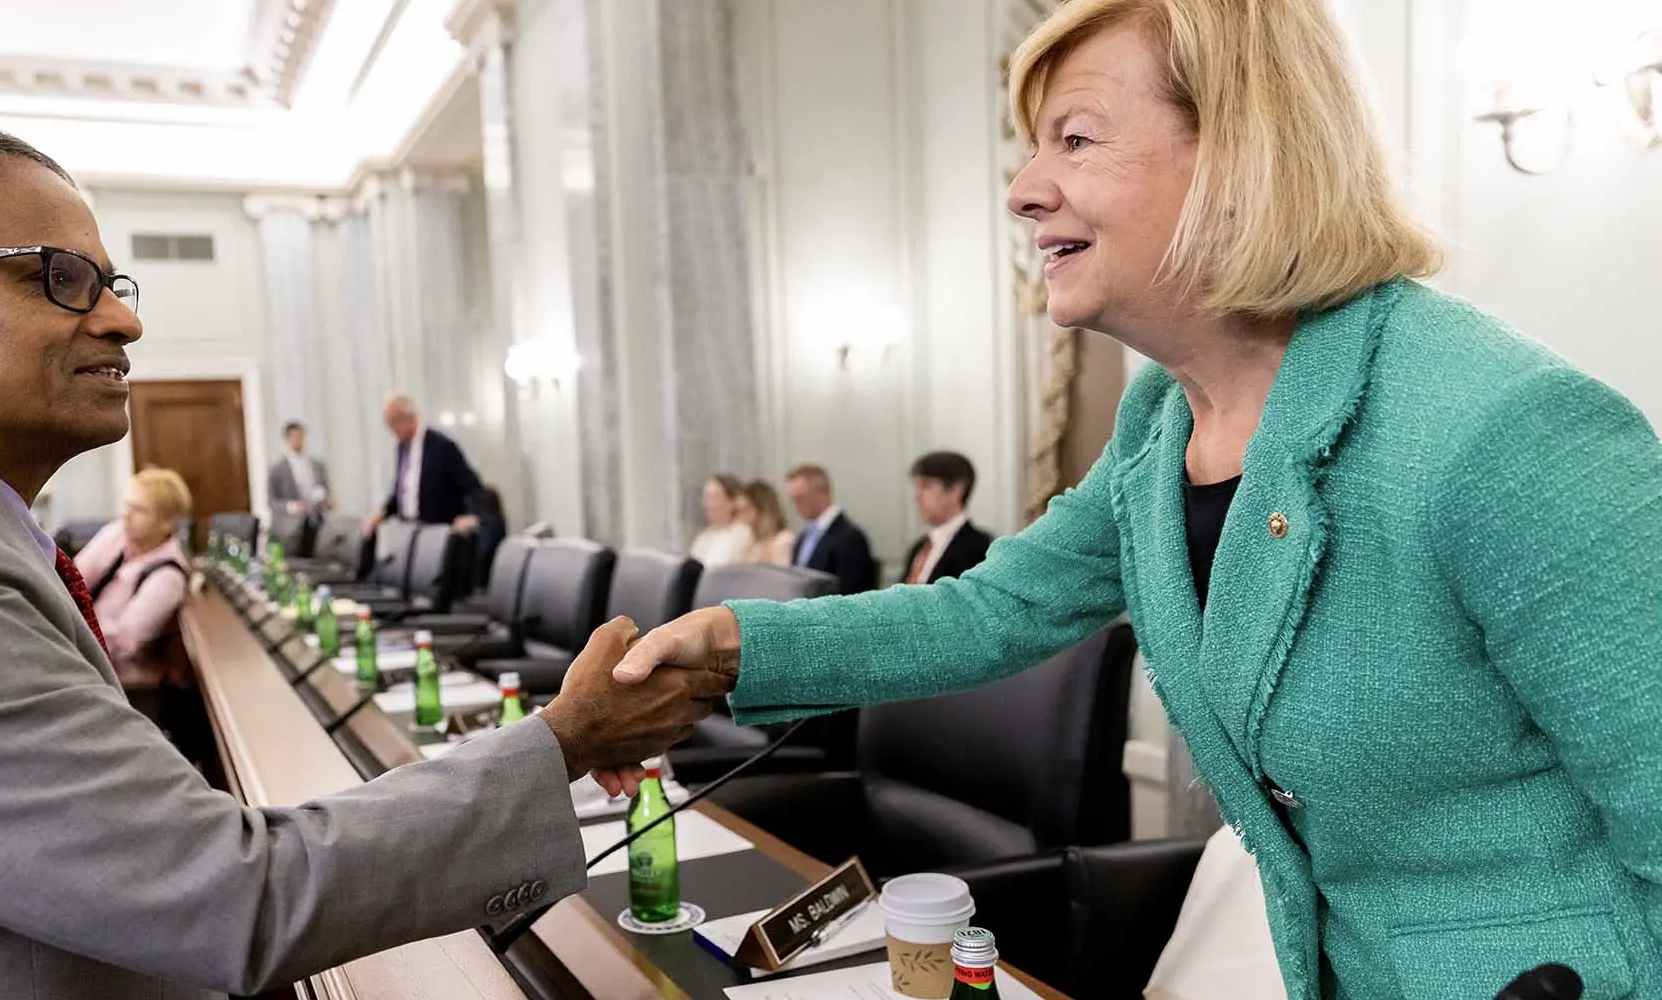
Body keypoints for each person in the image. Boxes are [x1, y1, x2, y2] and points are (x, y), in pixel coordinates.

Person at [601, 2, 1662, 998]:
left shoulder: (1506, 428)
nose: (1020, 189)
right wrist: (739, 652)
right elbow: (993, 609)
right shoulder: (1159, 423)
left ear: (1241, 153)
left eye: (1073, 139)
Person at [0, 124, 722, 1000]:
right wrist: (562, 740)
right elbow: (231, 896)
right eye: (60, 279)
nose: (123, 318)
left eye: (111, 281)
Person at [74, 468, 194, 691]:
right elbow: (70, 581)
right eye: (127, 505)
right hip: (77, 647)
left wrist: (64, 637)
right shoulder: (116, 534)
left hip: (110, 678)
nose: (126, 515)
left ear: (168, 522)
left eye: (139, 510)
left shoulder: (168, 576)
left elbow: (122, 642)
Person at [366, 394, 483, 536]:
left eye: (393, 423)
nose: (391, 430)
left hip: (438, 530)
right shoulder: (402, 448)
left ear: (410, 418)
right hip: (409, 529)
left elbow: (472, 486)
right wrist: (382, 513)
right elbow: (402, 491)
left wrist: (470, 515)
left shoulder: (442, 446)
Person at [900, 451, 993, 585]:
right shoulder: (919, 547)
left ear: (956, 490)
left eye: (926, 486)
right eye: (917, 487)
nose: (917, 496)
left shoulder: (979, 547)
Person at [784, 464, 876, 594]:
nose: (796, 506)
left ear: (824, 492)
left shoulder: (849, 538)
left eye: (801, 498)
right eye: (793, 500)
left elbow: (852, 591)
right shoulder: (803, 537)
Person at [268, 418, 332, 555]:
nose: (297, 440)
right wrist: (291, 506)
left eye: (300, 436)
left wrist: (326, 501)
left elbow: (324, 490)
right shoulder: (277, 469)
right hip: (292, 528)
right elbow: (272, 501)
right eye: (293, 436)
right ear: (287, 439)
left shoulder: (317, 465)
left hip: (316, 521)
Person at [688, 473, 752, 567]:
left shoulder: (743, 534)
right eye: (706, 497)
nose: (707, 504)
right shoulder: (704, 537)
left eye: (714, 498)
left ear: (732, 502)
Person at [739, 479, 795, 565]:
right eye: (740, 511)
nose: (742, 517)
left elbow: (784, 574)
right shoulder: (751, 542)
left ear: (762, 510)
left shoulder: (784, 540)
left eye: (746, 510)